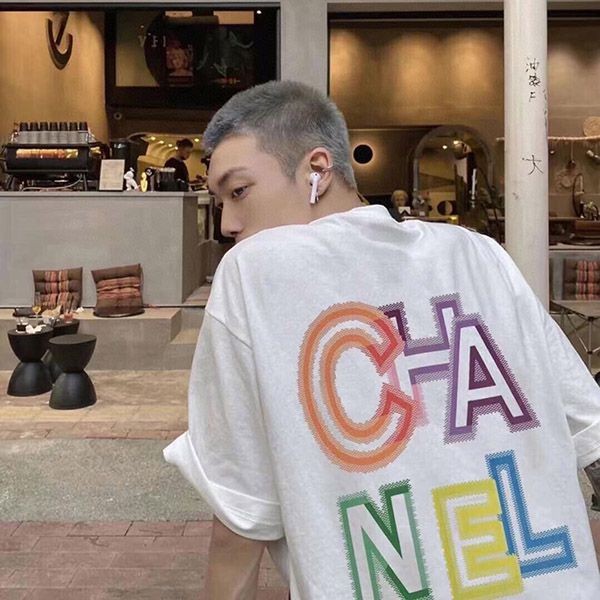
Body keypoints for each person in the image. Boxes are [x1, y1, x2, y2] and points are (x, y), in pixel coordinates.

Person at [163, 80, 600, 599]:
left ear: (317, 170)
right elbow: (591, 433)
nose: (228, 224)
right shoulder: (478, 254)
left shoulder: (252, 271)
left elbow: (239, 523)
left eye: (238, 192)